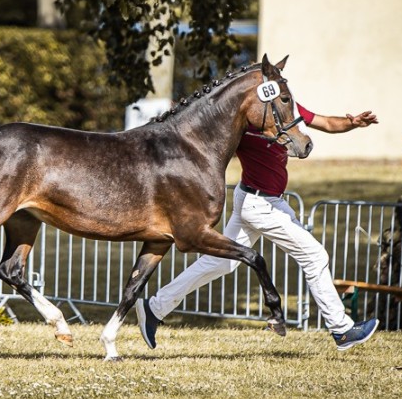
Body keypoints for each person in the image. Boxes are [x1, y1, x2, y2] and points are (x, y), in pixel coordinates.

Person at [136, 105, 380, 352]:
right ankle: (342, 329)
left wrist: (353, 122)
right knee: (315, 256)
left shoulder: (286, 108)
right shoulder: (246, 121)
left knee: (220, 263)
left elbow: (325, 121)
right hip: (259, 205)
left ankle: (154, 307)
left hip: (261, 200)